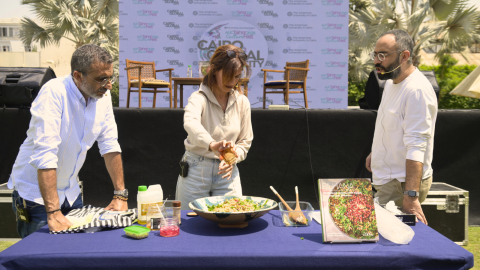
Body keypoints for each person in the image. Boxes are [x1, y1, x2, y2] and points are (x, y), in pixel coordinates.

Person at [8, 44, 128, 237]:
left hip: (71, 195)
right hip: (36, 198)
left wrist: (120, 195)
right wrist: (53, 211)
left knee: (76, 259)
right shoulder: (53, 92)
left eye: (110, 77)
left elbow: (110, 145)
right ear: (78, 76)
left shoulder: (102, 97)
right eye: (101, 79)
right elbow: (46, 153)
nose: (109, 85)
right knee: (41, 261)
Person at [365, 29, 438, 225]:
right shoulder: (391, 81)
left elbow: (417, 147)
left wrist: (411, 196)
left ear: (405, 56)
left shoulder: (417, 91)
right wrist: (377, 152)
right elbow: (389, 124)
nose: (376, 61)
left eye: (383, 55)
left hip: (402, 183)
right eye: (375, 54)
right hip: (391, 179)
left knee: (387, 241)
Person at [175, 44, 253, 209]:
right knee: (190, 223)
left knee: (233, 219)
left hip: (227, 172)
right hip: (195, 171)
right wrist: (212, 144)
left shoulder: (242, 102)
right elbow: (190, 122)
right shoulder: (198, 98)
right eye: (228, 75)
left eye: (237, 76)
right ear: (214, 69)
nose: (232, 81)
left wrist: (232, 157)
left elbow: (245, 141)